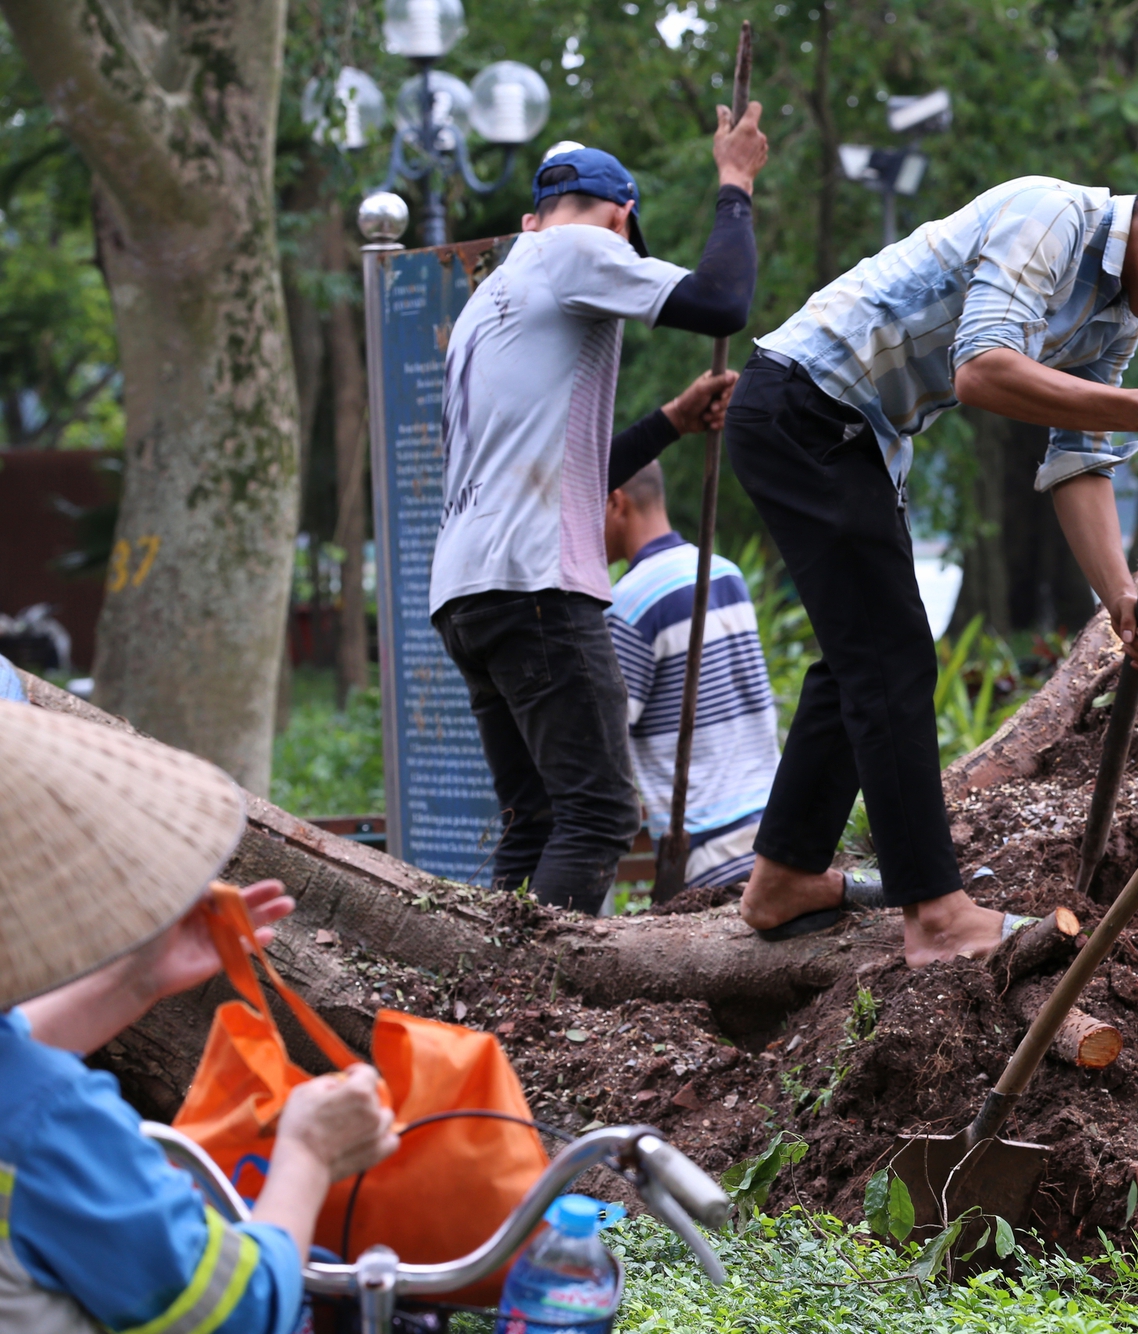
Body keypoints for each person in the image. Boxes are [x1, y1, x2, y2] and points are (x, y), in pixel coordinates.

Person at [728, 155, 1138, 966]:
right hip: (804, 406)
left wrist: (1122, 599)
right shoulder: (1049, 217)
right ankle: (935, 915)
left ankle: (782, 880)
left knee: (863, 661)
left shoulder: (1115, 316)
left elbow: (1079, 460)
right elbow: (983, 371)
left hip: (858, 436)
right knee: (888, 661)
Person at [429, 109, 769, 915]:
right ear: (621, 219)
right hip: (538, 585)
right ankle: (534, 1017)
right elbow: (722, 301)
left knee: (537, 820)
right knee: (599, 817)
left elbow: (563, 478)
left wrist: (670, 423)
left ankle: (487, 1009)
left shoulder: (490, 300)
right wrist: (735, 185)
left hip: (470, 592)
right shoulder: (582, 248)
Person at [0, 702, 400, 1334]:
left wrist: (136, 978)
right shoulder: (49, 1123)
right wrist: (308, 1154)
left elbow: (11, 1053)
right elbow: (237, 1310)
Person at [603, 461, 779, 892]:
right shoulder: (726, 572)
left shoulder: (628, 606)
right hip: (774, 833)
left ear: (615, 503)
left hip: (703, 851)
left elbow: (605, 738)